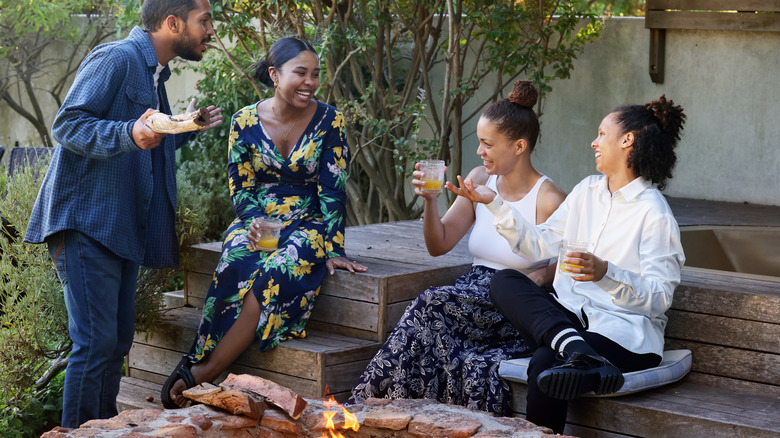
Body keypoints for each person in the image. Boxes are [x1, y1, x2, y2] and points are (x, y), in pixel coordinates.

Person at [23, 0, 222, 428]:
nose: (211, 31)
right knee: (95, 343)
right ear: (173, 23)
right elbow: (67, 125)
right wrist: (130, 131)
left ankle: (105, 431)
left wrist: (185, 125)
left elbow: (148, 140)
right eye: (204, 21)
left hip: (121, 228)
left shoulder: (155, 75)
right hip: (86, 224)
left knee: (115, 345)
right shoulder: (116, 58)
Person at [451, 95, 686, 433]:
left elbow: (660, 297)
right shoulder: (586, 191)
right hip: (573, 320)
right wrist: (495, 203)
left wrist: (606, 273)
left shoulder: (654, 212)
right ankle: (578, 351)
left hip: (625, 334)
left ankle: (578, 356)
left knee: (545, 362)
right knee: (504, 281)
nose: (594, 142)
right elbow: (537, 244)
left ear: (627, 140)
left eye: (602, 134)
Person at [162, 36, 367, 408]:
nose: (310, 82)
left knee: (274, 272)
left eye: (315, 74)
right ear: (274, 74)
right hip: (256, 217)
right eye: (300, 73)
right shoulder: (243, 120)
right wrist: (254, 221)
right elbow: (240, 183)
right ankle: (198, 354)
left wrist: (334, 247)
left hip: (309, 220)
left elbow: (333, 187)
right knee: (233, 263)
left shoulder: (330, 120)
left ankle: (204, 371)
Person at [348, 81, 567, 415]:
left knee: (431, 304)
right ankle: (395, 415)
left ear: (519, 146)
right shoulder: (480, 179)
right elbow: (440, 244)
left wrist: (542, 276)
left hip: (512, 306)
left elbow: (571, 258)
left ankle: (367, 410)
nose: (479, 151)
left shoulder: (549, 198)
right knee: (434, 333)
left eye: (487, 144)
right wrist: (430, 200)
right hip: (469, 297)